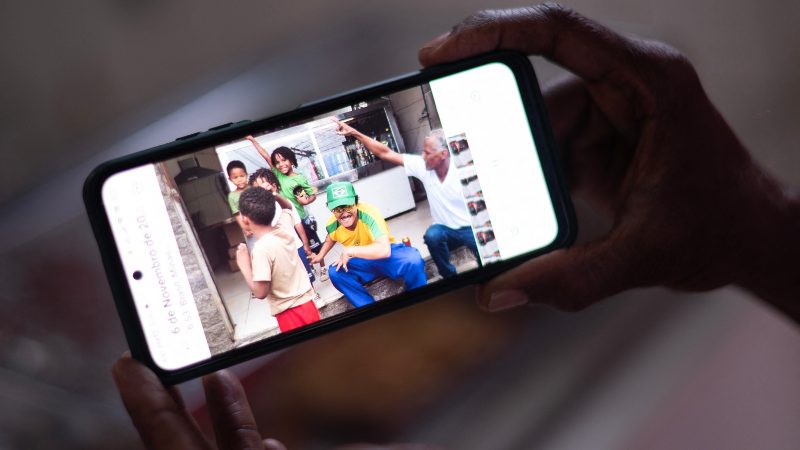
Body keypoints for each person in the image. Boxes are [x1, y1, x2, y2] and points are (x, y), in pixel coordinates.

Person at [114, 5, 800, 448]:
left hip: (427, 250)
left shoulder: (355, 202)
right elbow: (380, 171)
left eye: (442, 150)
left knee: (429, 266)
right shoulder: (378, 184)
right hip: (377, 255)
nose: (437, 153)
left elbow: (364, 221)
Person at [333, 121, 479, 279]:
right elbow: (385, 153)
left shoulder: (465, 174)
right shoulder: (424, 166)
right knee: (432, 235)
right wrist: (355, 132)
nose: (422, 156)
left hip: (470, 228)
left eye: (428, 152)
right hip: (445, 230)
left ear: (443, 154)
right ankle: (450, 278)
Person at [309, 181, 427, 307]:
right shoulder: (332, 224)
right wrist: (320, 256)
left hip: (384, 257)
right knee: (335, 272)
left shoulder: (369, 213)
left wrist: (350, 250)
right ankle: (369, 309)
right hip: (361, 263)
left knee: (412, 259)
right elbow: (330, 238)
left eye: (348, 206)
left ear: (356, 202)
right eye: (338, 209)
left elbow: (384, 250)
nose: (344, 213)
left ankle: (418, 301)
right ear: (331, 209)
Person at [235, 187, 320, 333]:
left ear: (244, 219)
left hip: (289, 313)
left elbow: (260, 292)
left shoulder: (261, 249)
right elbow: (287, 207)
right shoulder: (284, 229)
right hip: (308, 304)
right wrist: (275, 195)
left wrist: (244, 265)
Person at [245, 135, 329, 282]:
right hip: (286, 221)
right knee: (299, 248)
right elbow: (265, 155)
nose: (281, 164)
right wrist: (253, 141)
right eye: (277, 162)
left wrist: (306, 200)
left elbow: (311, 194)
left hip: (301, 218)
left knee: (313, 244)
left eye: (284, 160)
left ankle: (322, 267)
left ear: (291, 160)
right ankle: (308, 270)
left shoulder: (300, 178)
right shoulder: (276, 174)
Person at [249, 168, 317, 286]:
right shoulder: (258, 211)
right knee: (291, 278)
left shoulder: (285, 203)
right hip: (279, 252)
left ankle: (314, 294)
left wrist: (305, 244)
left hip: (296, 246)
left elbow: (297, 224)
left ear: (273, 186)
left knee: (306, 274)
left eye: (263, 187)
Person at [225, 160, 256, 248]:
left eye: (242, 176)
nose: (239, 180)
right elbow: (237, 214)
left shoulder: (254, 188)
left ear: (247, 174)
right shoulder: (232, 196)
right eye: (235, 177)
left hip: (263, 223)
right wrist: (245, 228)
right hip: (250, 229)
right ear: (230, 179)